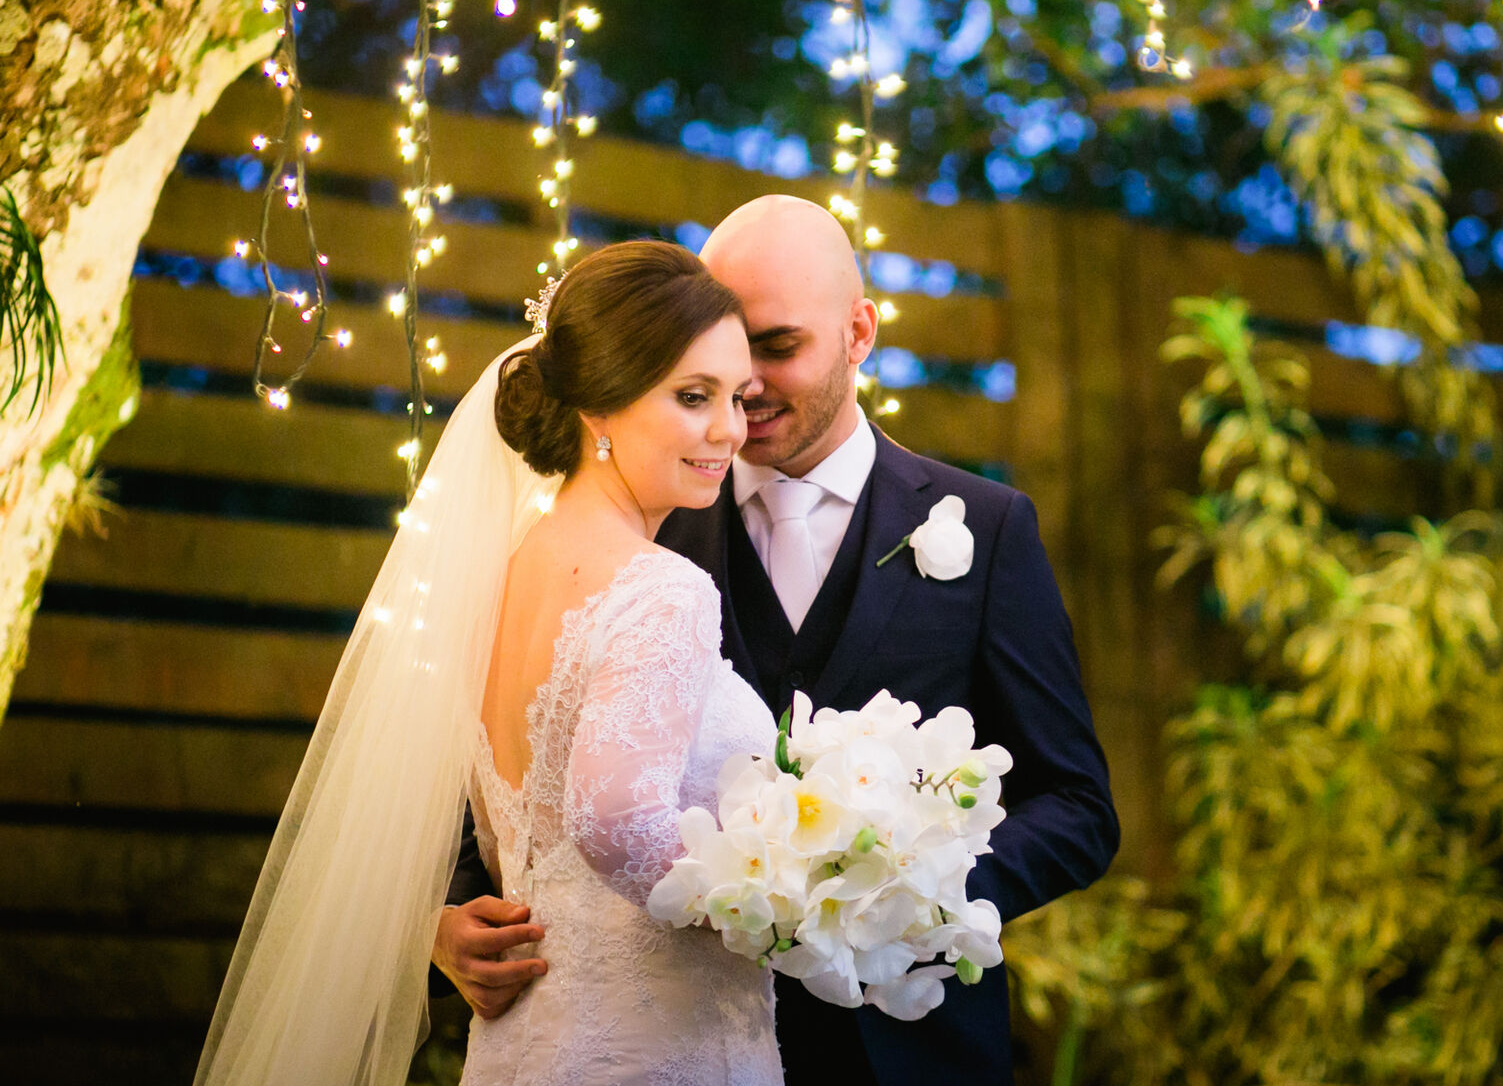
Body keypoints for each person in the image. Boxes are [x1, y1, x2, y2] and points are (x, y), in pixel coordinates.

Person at [437, 196, 1121, 1085]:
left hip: (907, 1052)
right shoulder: (637, 533)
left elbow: (1077, 805)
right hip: (672, 1038)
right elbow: (513, 764)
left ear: (859, 332)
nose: (745, 384)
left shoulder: (986, 530)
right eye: (716, 354)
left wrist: (905, 899)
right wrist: (448, 919)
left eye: (776, 345)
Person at [196, 242, 781, 1086]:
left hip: (527, 1042)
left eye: (737, 396)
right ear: (599, 409)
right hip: (654, 1053)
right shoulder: (662, 589)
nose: (728, 428)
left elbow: (523, 848)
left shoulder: (496, 577)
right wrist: (773, 903)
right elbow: (612, 821)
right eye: (693, 398)